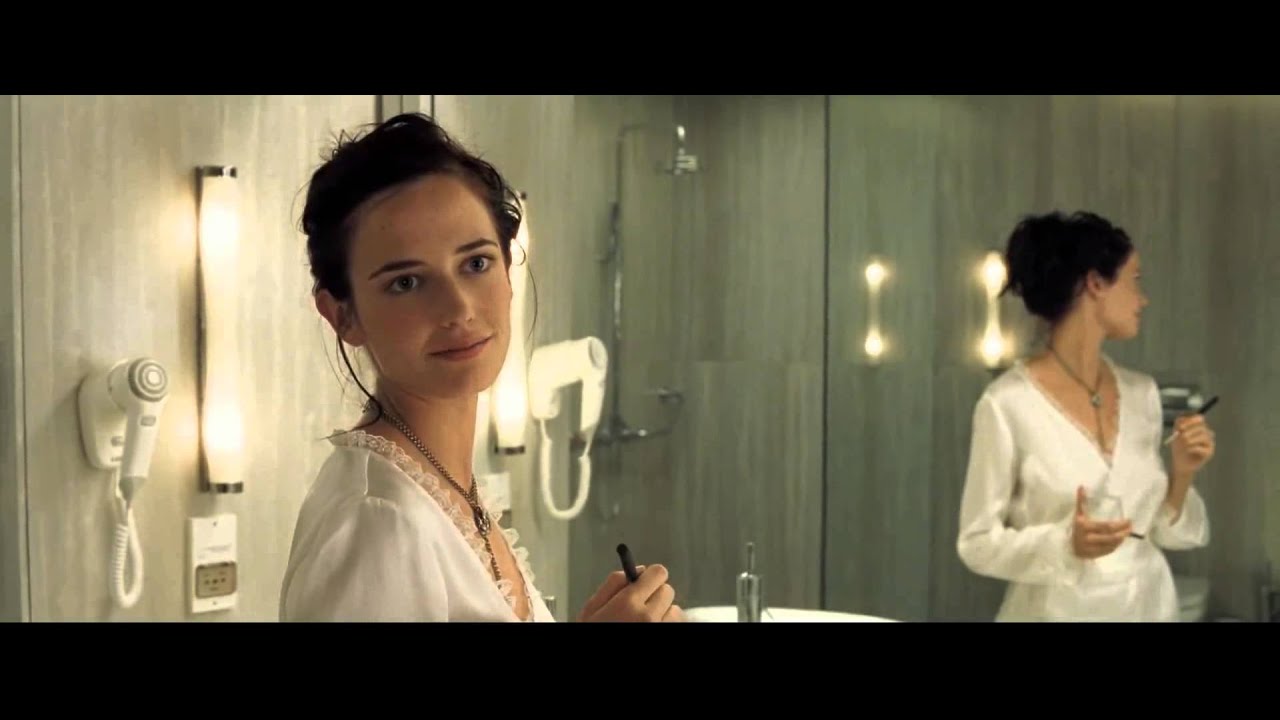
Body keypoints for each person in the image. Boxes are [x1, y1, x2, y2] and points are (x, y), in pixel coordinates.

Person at [279, 113, 683, 622]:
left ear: (509, 270)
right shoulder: (377, 517)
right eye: (406, 282)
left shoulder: (443, 489)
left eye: (476, 264)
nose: (459, 309)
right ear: (343, 316)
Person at [956, 210, 1215, 621]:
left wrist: (1182, 474)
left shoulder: (1142, 394)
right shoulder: (1007, 404)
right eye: (1134, 280)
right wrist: (1066, 544)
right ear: (1095, 283)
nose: (1142, 299)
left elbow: (1163, 532)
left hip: (1147, 607)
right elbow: (977, 542)